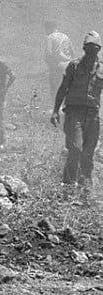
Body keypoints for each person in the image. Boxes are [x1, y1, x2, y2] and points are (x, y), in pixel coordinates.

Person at [51, 31, 103, 197]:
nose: (91, 52)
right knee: (75, 148)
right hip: (75, 113)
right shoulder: (74, 66)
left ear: (99, 50)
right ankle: (67, 186)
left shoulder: (102, 69)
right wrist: (55, 110)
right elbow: (63, 88)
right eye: (88, 48)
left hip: (93, 115)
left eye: (94, 49)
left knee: (88, 153)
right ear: (83, 48)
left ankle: (85, 189)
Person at [44, 21, 74, 103]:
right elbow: (72, 52)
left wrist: (48, 62)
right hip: (68, 65)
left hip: (57, 65)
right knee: (67, 87)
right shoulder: (66, 37)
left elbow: (49, 53)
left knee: (55, 88)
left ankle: (56, 109)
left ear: (49, 28)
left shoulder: (49, 37)